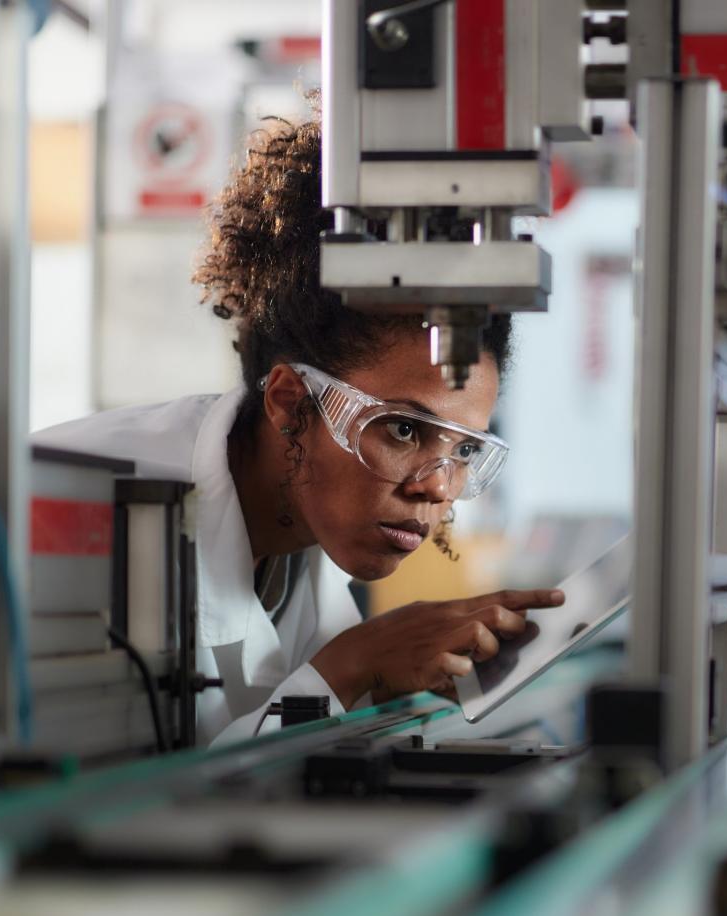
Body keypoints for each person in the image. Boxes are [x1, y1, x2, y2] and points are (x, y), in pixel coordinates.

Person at [33, 114, 562, 745]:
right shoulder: (94, 510)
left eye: (464, 447)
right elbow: (131, 799)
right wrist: (353, 666)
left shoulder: (302, 534)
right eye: (401, 431)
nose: (439, 488)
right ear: (290, 403)